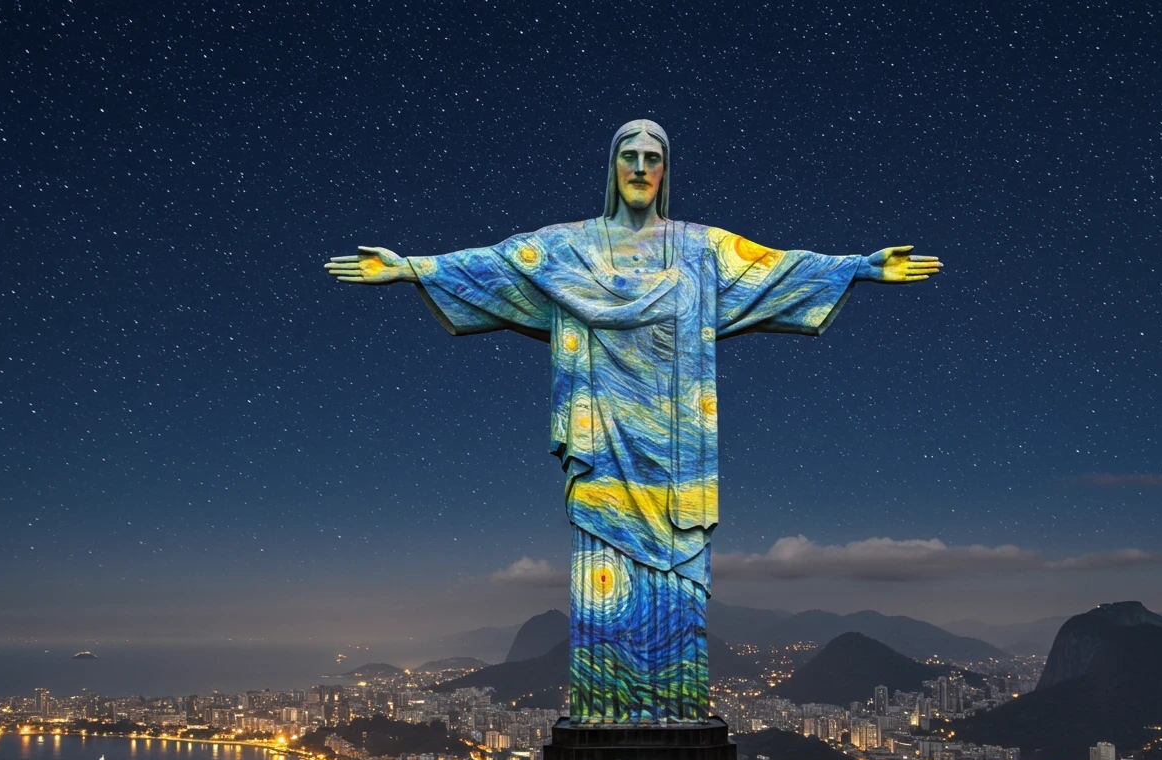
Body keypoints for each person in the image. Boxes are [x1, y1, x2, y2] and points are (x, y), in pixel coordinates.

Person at [324, 121, 942, 727]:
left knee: (675, 574)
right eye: (630, 156)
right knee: (604, 567)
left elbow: (776, 268)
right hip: (602, 434)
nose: (642, 168)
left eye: (654, 157)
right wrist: (411, 268)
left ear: (666, 170)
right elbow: (498, 265)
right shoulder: (571, 248)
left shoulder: (701, 248)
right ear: (612, 167)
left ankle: (674, 710)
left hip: (675, 449)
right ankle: (603, 710)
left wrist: (858, 266)